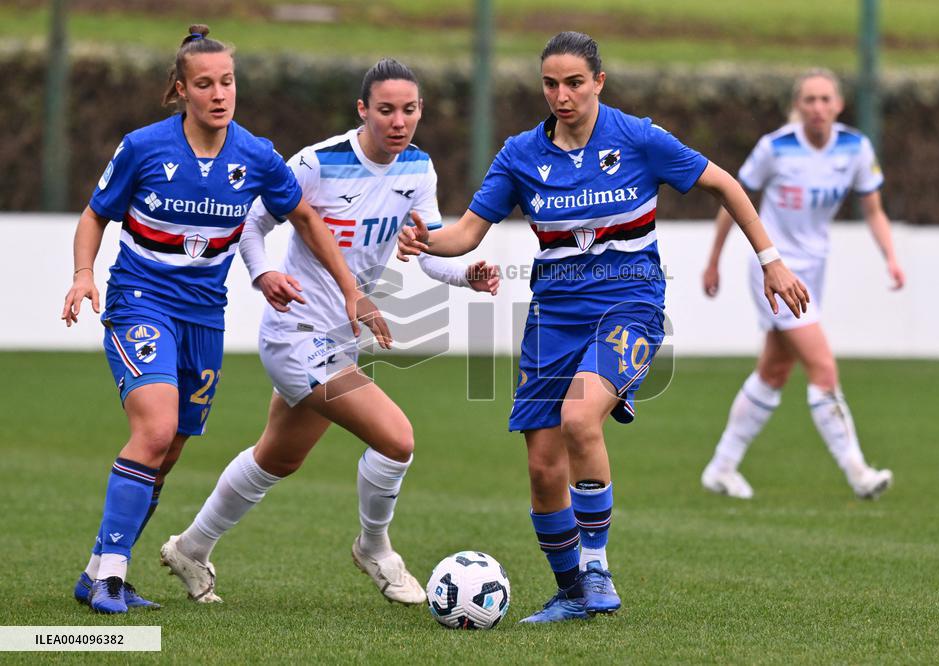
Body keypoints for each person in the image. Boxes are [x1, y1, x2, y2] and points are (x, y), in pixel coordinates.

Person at [397, 32, 809, 623]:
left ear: (599, 82)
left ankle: (597, 570)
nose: (561, 95)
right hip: (553, 317)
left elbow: (725, 184)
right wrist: (424, 239)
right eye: (550, 84)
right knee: (543, 468)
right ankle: (572, 593)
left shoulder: (637, 138)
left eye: (574, 83)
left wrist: (771, 261)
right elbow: (464, 234)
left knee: (578, 417)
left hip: (630, 306)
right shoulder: (520, 154)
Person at [159, 58, 500, 606]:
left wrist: (466, 276)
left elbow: (426, 250)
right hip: (294, 333)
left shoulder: (419, 168)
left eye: (409, 110)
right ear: (362, 110)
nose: (398, 121)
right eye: (385, 110)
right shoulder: (317, 162)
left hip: (340, 339)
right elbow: (251, 225)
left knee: (278, 457)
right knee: (396, 439)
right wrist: (263, 274)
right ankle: (375, 548)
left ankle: (190, 548)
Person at [61, 24, 373, 614]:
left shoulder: (255, 155)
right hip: (141, 302)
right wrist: (84, 274)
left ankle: (97, 570)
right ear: (181, 90)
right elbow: (95, 214)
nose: (219, 93)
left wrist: (350, 289)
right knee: (155, 431)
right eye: (204, 84)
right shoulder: (144, 147)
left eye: (227, 81)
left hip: (204, 317)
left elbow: (306, 219)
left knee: (170, 449)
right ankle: (113, 577)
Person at [700, 68, 904, 501]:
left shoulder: (855, 148)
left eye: (825, 99)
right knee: (823, 367)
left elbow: (873, 210)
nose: (817, 108)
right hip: (773, 271)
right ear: (798, 105)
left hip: (814, 271)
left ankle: (721, 467)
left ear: (839, 105)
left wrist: (891, 257)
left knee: (774, 370)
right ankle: (858, 472)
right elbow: (733, 200)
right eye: (809, 99)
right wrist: (714, 260)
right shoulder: (774, 148)